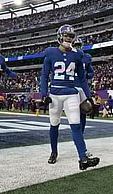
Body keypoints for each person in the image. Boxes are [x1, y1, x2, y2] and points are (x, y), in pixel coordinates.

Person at [40, 24, 100, 170]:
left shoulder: (77, 54)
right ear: (60, 37)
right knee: (54, 124)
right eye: (66, 36)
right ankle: (54, 152)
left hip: (71, 93)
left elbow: (82, 78)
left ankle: (83, 157)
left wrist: (88, 96)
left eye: (71, 36)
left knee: (76, 124)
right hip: (54, 94)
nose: (68, 39)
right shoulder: (51, 52)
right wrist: (43, 94)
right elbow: (44, 75)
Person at [72, 37, 94, 133]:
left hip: (82, 87)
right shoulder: (69, 57)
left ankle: (80, 133)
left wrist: (85, 75)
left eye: (79, 46)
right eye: (76, 46)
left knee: (83, 112)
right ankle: (76, 132)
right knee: (73, 112)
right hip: (71, 87)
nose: (77, 48)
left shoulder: (86, 57)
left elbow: (91, 73)